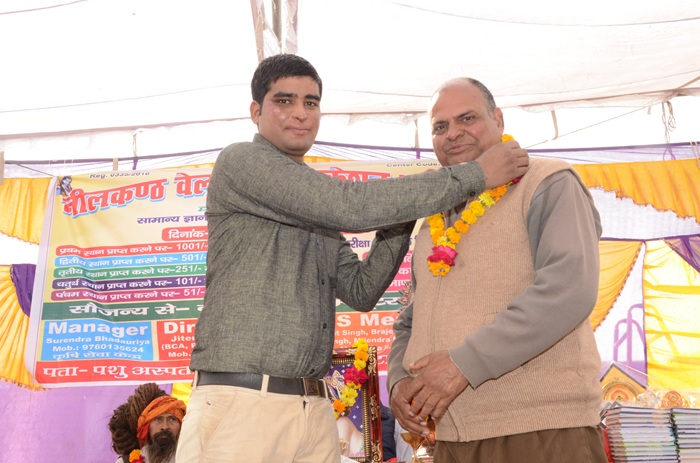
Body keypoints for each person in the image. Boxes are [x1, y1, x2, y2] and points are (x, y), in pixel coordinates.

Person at [175, 55, 528, 463]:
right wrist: (476, 174)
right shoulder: (241, 162)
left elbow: (362, 289)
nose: (300, 113)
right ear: (256, 111)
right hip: (243, 402)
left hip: (313, 407)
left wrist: (408, 208)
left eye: (311, 102)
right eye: (284, 101)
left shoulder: (312, 202)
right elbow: (350, 207)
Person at [386, 77, 608, 463]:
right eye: (440, 126)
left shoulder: (548, 182)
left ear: (498, 119)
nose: (453, 133)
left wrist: (463, 364)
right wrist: (399, 382)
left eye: (467, 118)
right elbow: (411, 318)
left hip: (541, 431)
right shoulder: (434, 217)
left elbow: (567, 289)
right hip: (452, 439)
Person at [109, 383, 187, 463]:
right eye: (158, 419)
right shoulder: (125, 461)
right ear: (146, 426)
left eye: (171, 419)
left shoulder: (192, 458)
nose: (165, 426)